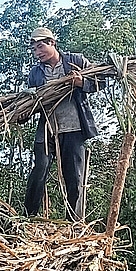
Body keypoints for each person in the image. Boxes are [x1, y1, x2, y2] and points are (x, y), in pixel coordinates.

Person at [24, 27, 101, 220]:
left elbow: (99, 81)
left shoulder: (76, 61)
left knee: (74, 176)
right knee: (40, 168)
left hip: (73, 126)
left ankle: (73, 221)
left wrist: (81, 83)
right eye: (34, 49)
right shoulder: (35, 73)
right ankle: (28, 216)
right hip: (48, 127)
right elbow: (30, 103)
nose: (37, 52)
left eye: (40, 46)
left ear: (52, 43)